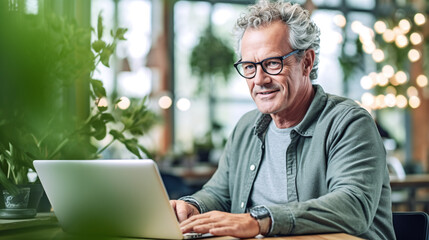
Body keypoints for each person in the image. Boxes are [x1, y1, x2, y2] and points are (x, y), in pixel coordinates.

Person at [170, 1, 396, 239]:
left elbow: (353, 206)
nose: (259, 79)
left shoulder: (349, 123)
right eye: (249, 66)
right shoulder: (246, 127)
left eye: (272, 64)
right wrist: (191, 207)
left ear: (306, 62)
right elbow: (219, 193)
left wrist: (258, 221)